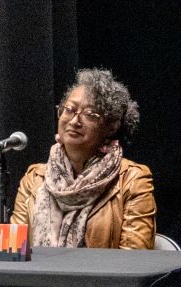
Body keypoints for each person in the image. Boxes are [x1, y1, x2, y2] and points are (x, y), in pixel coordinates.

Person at [12, 68, 155, 249]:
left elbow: (134, 261)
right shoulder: (34, 179)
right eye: (69, 110)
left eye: (89, 114)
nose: (74, 121)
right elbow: (16, 251)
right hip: (40, 277)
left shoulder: (132, 180)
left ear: (111, 126)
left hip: (103, 277)